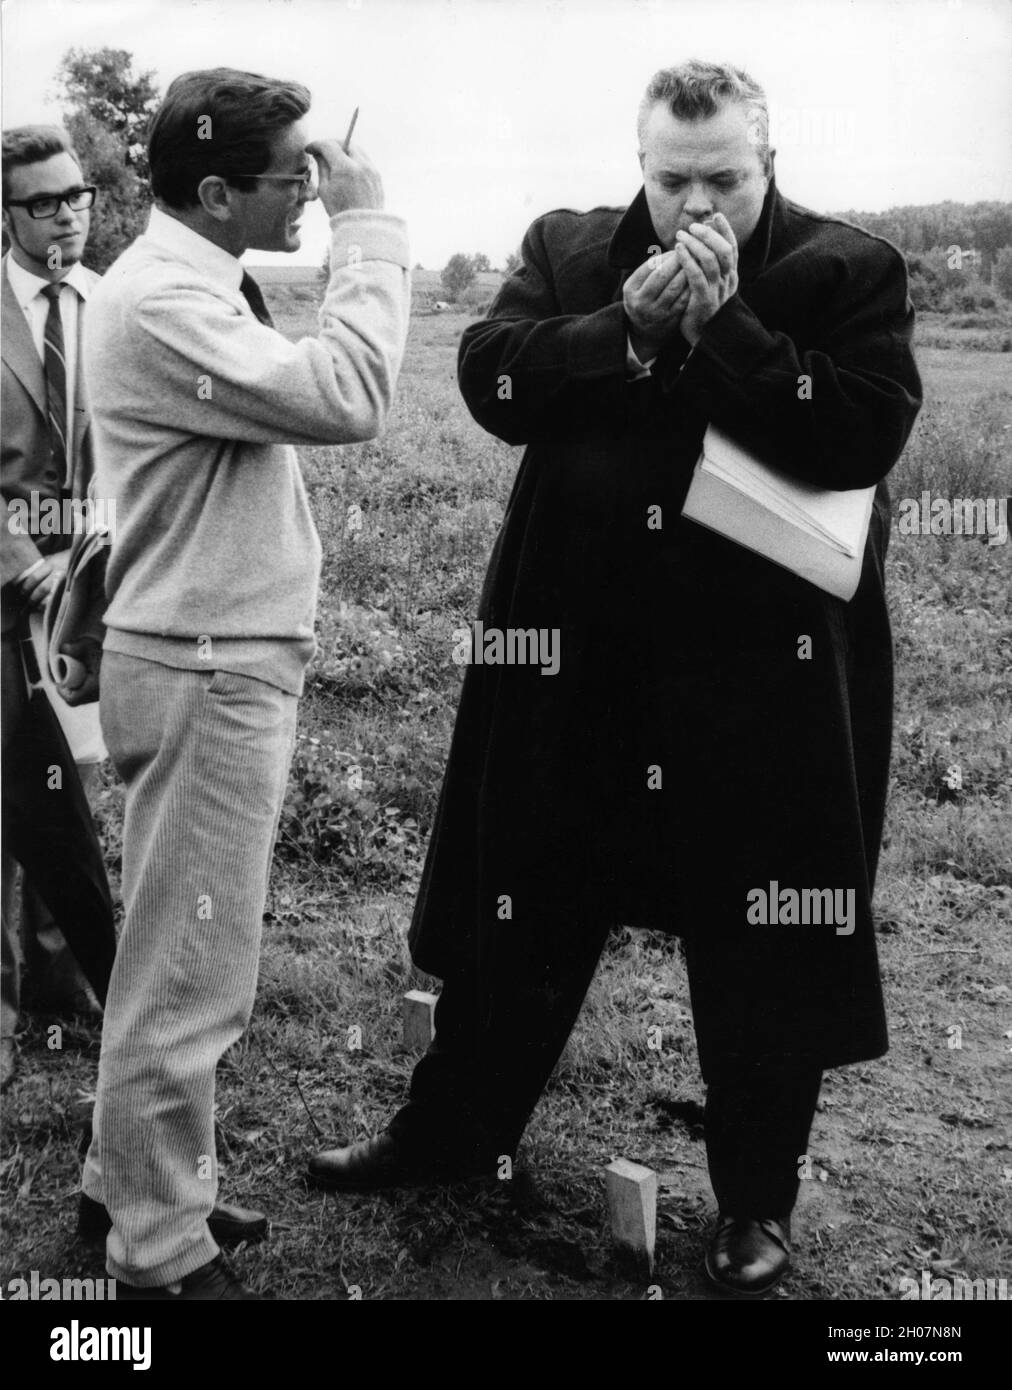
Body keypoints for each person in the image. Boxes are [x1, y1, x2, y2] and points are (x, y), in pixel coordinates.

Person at [308, 60, 922, 1297]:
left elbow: (862, 428)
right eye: (670, 175)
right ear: (638, 159)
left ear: (768, 159)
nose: (696, 205)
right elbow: (492, 377)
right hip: (572, 660)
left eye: (724, 179)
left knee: (762, 928)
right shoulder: (570, 245)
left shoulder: (847, 268)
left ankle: (755, 1201)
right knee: (518, 895)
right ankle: (451, 1133)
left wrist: (728, 332)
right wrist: (626, 333)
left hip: (761, 681)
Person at [79, 67, 411, 1300]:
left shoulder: (183, 280)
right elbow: (350, 394)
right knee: (190, 977)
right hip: (210, 665)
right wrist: (371, 233)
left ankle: (127, 1185)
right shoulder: (169, 299)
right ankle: (159, 1250)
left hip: (197, 652)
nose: (313, 188)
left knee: (163, 950)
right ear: (216, 191)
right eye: (294, 175)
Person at [1, 125, 117, 1091]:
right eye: (45, 201)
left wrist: (78, 556)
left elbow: (128, 455)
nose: (68, 213)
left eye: (76, 194)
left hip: (79, 593)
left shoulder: (112, 307)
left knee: (58, 773)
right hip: (4, 587)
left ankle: (58, 984)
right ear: (8, 213)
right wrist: (16, 557)